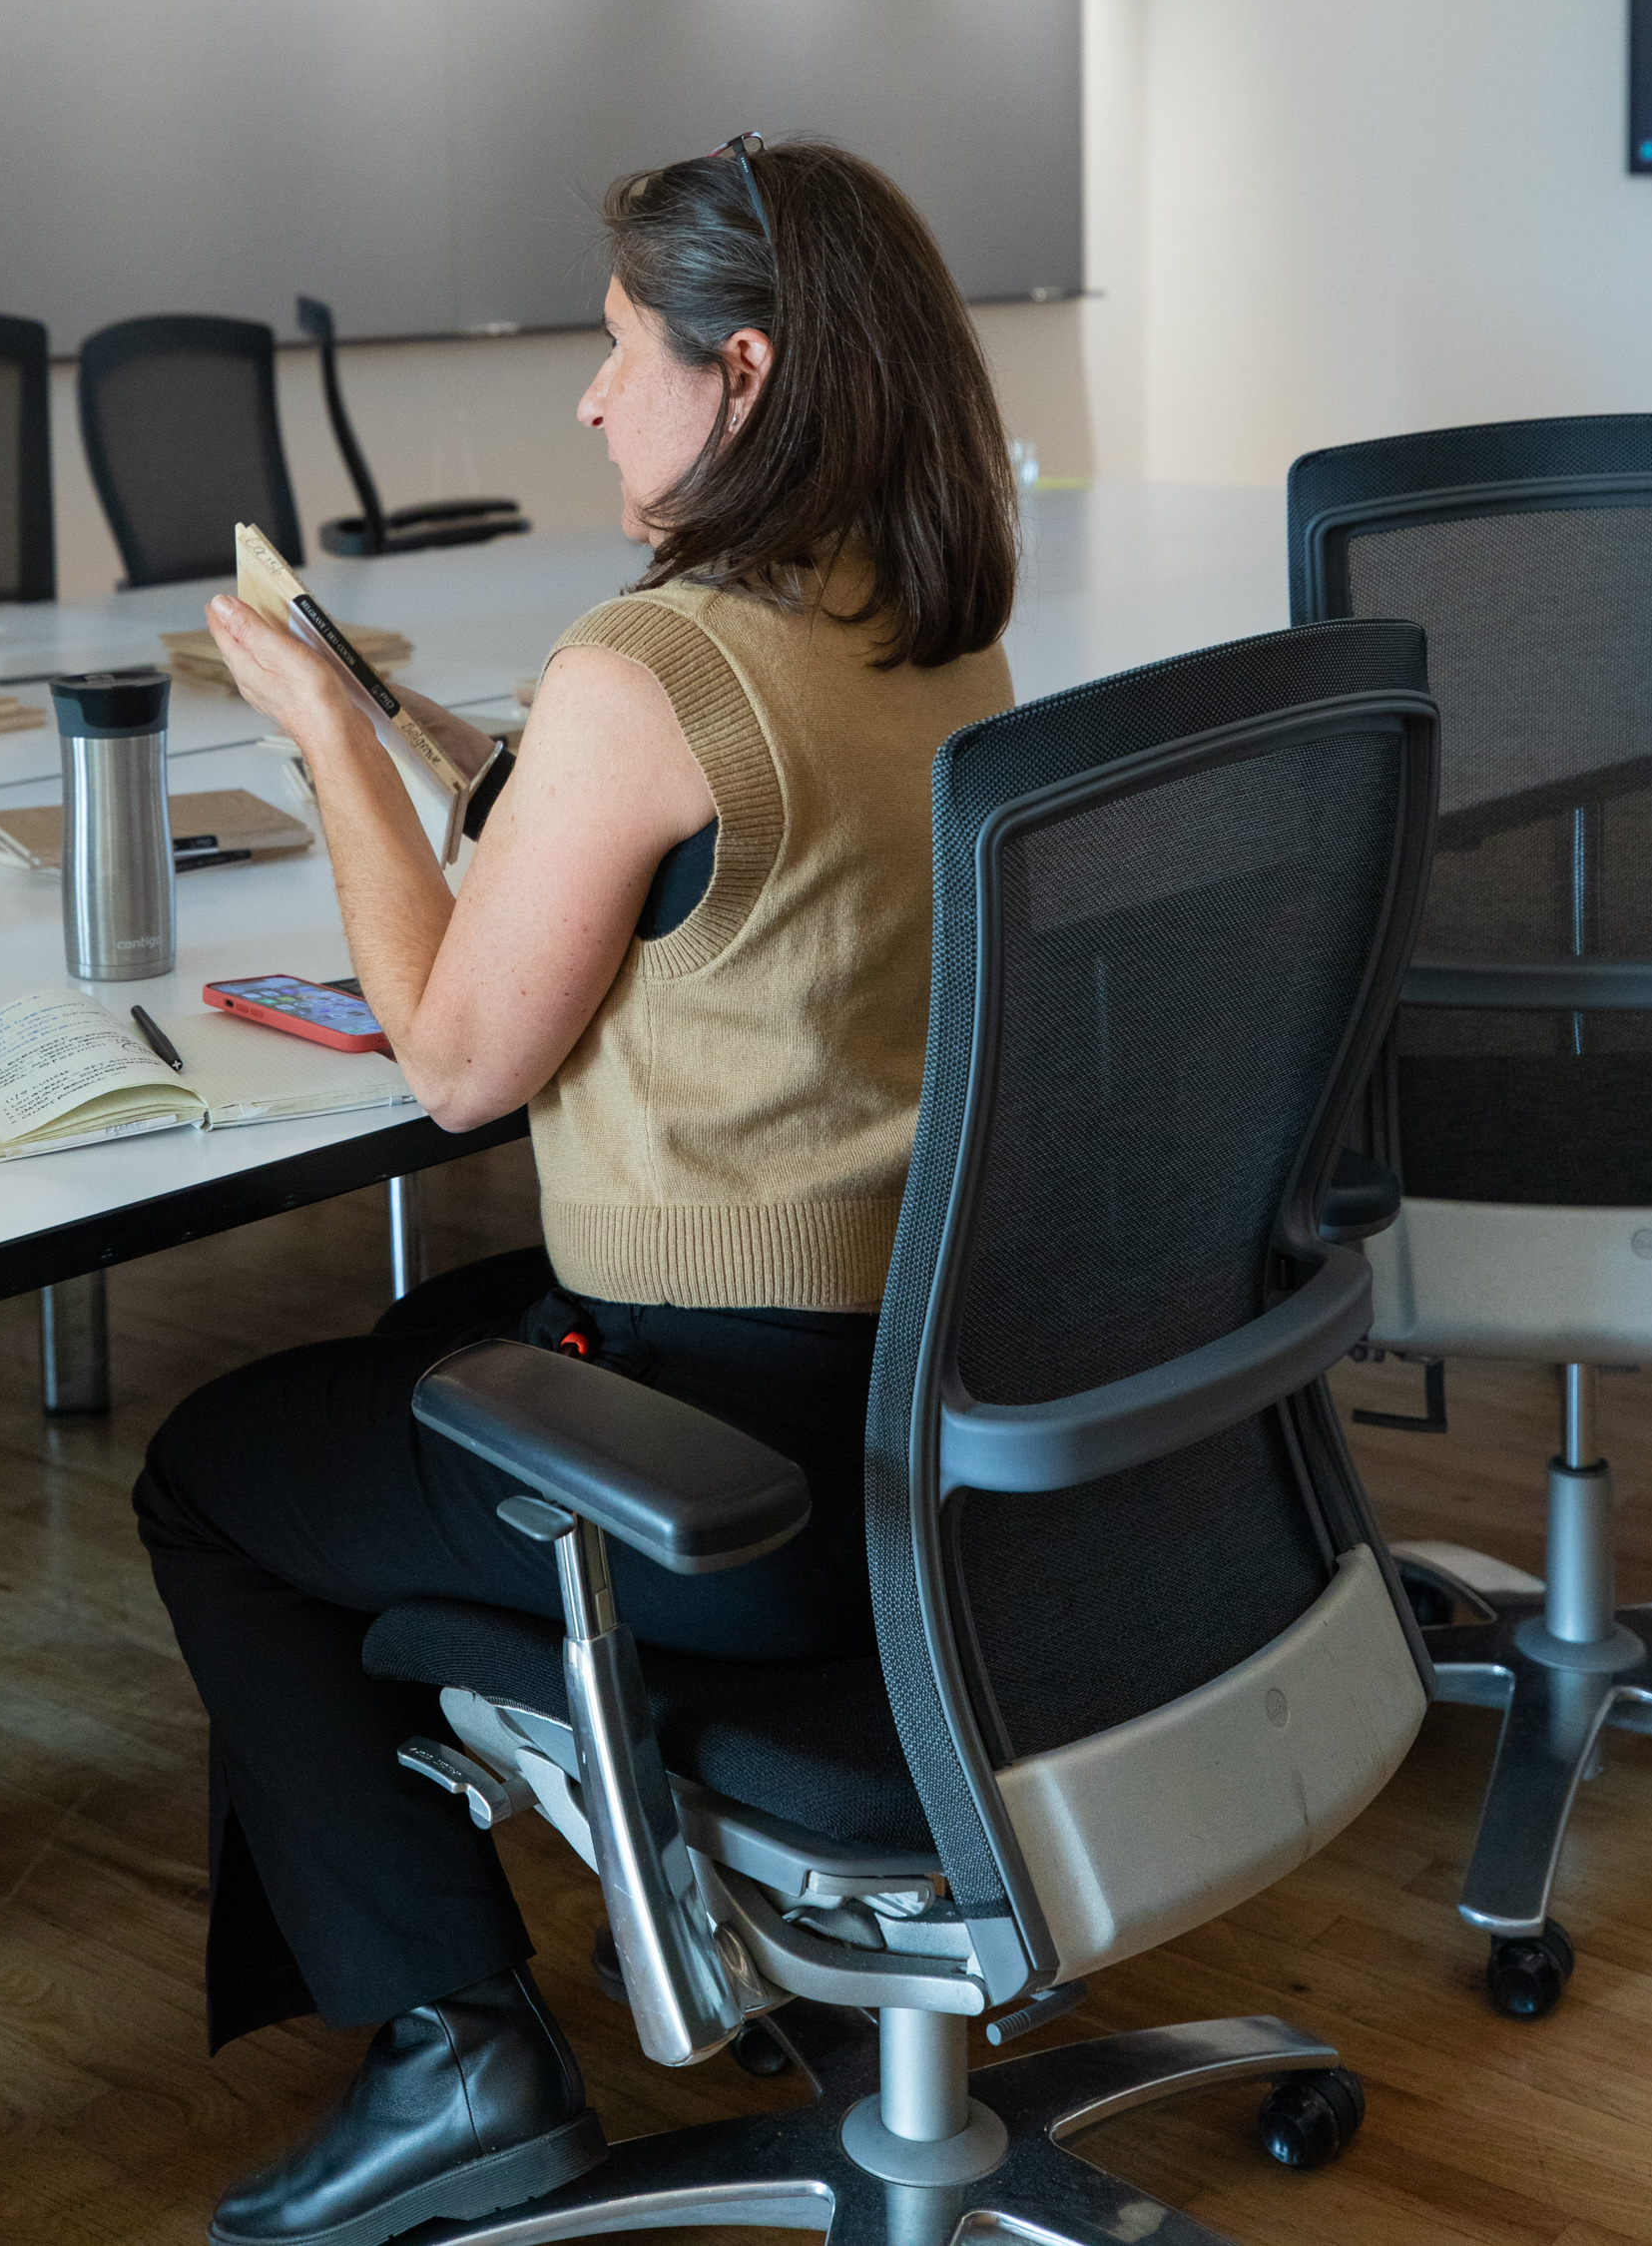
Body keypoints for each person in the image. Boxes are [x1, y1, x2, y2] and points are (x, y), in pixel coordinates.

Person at [136, 137, 1019, 2246]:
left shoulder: (654, 664)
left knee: (213, 1476)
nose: (587, 398)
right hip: (920, 1393)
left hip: (727, 1477)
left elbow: (450, 1064)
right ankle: (482, 1961)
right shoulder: (914, 624)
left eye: (618, 351)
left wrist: (327, 753)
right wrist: (415, 720)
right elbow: (646, 840)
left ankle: (458, 2054)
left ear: (742, 366)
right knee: (390, 1361)